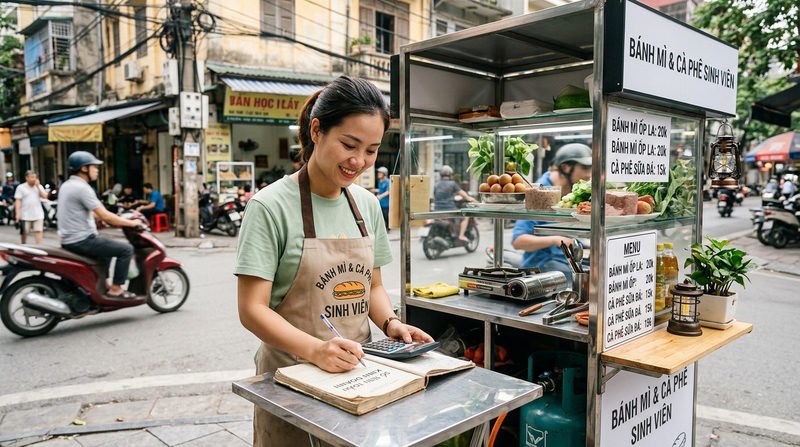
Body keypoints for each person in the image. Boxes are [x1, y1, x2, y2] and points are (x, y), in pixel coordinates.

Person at [234, 75, 433, 446]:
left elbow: (370, 286)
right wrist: (315, 350)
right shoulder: (269, 207)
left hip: (359, 374)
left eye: (372, 150)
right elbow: (251, 309)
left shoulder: (368, 206)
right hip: (290, 378)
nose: (358, 161)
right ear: (317, 131)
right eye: (349, 144)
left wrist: (391, 323)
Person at [57, 151, 142, 299]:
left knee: (107, 252)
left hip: (70, 239)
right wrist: (131, 223)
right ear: (84, 169)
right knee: (126, 249)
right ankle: (116, 289)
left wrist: (116, 217)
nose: (97, 170)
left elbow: (92, 212)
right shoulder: (82, 188)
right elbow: (104, 215)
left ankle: (104, 285)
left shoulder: (67, 185)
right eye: (94, 167)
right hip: (81, 240)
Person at [512, 143, 593, 287]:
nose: (589, 174)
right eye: (585, 168)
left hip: (567, 263)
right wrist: (556, 239)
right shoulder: (538, 194)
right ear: (565, 168)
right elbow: (518, 241)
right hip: (542, 268)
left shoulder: (574, 192)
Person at [433, 164, 477, 242]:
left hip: (437, 210)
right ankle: (461, 235)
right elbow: (464, 195)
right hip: (449, 209)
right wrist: (471, 199)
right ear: (450, 174)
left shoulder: (436, 184)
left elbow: (436, 196)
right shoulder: (452, 184)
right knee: (466, 217)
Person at [14, 170, 48, 244]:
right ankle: (23, 245)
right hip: (25, 214)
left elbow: (45, 196)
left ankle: (39, 248)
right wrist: (17, 214)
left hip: (38, 214)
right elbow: (18, 201)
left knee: (38, 231)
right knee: (24, 232)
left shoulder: (39, 186)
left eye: (35, 177)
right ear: (27, 178)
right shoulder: (21, 187)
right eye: (32, 177)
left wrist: (38, 186)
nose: (34, 179)